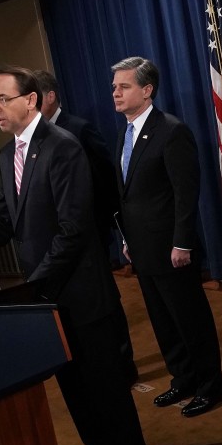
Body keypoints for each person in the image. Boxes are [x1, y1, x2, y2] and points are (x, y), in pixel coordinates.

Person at [0, 66, 153, 445]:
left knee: (105, 385)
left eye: (2, 99)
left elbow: (74, 231)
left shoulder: (62, 149)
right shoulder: (7, 155)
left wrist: (33, 285)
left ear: (31, 100)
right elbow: (6, 219)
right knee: (73, 385)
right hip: (47, 297)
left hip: (80, 293)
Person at [111, 56, 222, 418]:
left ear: (146, 91)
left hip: (172, 249)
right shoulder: (125, 134)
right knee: (163, 321)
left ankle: (210, 387)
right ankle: (183, 379)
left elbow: (185, 193)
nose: (115, 92)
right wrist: (127, 238)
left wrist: (182, 242)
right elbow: (129, 195)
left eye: (123, 86)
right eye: (114, 87)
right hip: (142, 249)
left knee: (191, 321)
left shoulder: (172, 130)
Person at [33, 69, 138, 386]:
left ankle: (124, 365)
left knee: (106, 302)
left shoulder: (78, 129)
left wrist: (111, 227)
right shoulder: (36, 138)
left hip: (89, 234)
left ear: (50, 97)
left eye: (35, 98)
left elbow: (106, 181)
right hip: (61, 241)